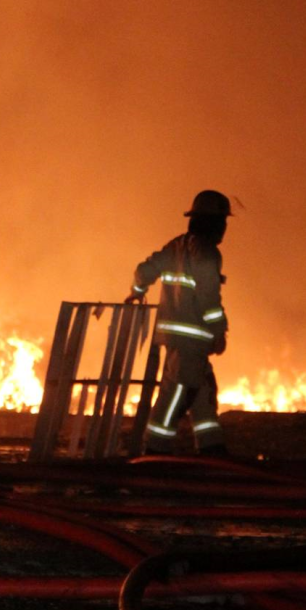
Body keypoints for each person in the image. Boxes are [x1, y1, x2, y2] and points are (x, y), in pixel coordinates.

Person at [125, 190, 231, 456]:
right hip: (191, 341)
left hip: (173, 338)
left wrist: (137, 291)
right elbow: (209, 297)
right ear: (214, 223)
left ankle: (211, 447)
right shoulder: (206, 253)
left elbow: (143, 271)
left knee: (201, 390)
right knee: (177, 394)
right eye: (223, 222)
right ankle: (154, 450)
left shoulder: (176, 247)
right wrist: (219, 331)